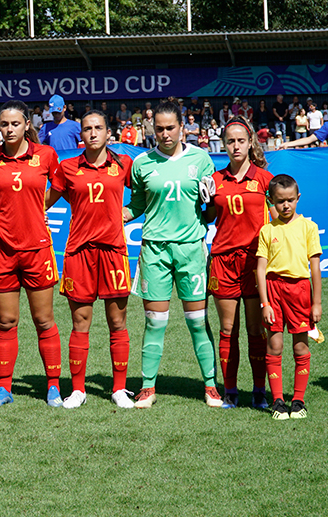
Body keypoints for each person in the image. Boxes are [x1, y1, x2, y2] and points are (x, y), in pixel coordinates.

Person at [123, 100, 221, 408]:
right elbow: (136, 206)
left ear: (182, 128)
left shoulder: (202, 159)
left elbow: (210, 209)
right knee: (155, 321)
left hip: (191, 249)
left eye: (171, 128)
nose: (165, 134)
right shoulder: (142, 163)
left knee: (197, 321)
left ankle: (210, 386)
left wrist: (212, 204)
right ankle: (148, 387)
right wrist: (108, 213)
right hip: (154, 250)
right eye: (160, 128)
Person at [45, 111, 135, 409]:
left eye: (98, 128)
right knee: (80, 321)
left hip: (113, 252)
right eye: (87, 129)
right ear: (80, 134)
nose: (93, 133)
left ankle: (119, 389)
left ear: (109, 133)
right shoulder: (68, 167)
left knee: (117, 321)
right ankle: (79, 390)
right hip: (79, 253)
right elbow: (43, 201)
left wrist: (131, 211)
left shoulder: (124, 164)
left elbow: (149, 192)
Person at [0, 100, 63, 408]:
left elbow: (60, 184)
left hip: (37, 249)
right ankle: (3, 389)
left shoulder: (45, 154)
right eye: (4, 124)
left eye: (15, 123)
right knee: (6, 321)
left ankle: (53, 387)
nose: (9, 129)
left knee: (44, 319)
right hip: (1, 250)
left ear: (28, 124)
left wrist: (42, 207)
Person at [203, 117, 274, 409]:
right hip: (223, 261)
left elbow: (283, 217)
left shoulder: (265, 180)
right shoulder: (216, 180)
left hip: (255, 263)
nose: (235, 146)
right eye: (230, 141)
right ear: (224, 143)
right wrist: (204, 200)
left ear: (250, 144)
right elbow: (208, 218)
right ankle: (230, 390)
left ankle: (259, 390)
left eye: (240, 140)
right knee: (227, 329)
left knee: (256, 331)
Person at [256, 174, 321, 419]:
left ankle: (298, 401)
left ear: (298, 198)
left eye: (290, 200)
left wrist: (316, 302)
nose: (285, 205)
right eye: (280, 201)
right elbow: (261, 269)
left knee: (301, 344)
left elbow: (315, 267)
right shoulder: (266, 230)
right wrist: (265, 303)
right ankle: (278, 401)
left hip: (300, 291)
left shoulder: (309, 227)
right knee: (274, 345)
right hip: (273, 290)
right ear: (271, 200)